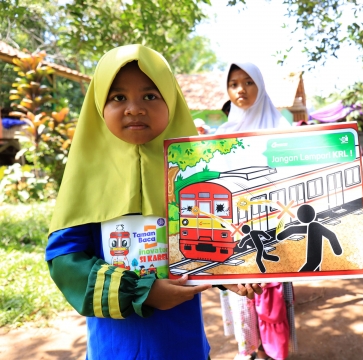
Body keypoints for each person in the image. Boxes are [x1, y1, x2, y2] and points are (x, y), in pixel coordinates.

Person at [45, 45, 262, 360]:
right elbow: (65, 261)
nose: (134, 108)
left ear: (172, 102)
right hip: (115, 348)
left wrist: (228, 275)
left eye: (149, 96)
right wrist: (141, 292)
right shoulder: (86, 176)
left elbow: (207, 243)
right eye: (118, 97)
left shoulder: (195, 175)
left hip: (182, 344)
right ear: (98, 106)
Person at [216, 62, 294, 360]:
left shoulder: (282, 130)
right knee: (242, 293)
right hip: (236, 229)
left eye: (248, 82)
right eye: (234, 83)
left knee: (272, 296)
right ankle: (250, 348)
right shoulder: (220, 136)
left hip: (276, 225)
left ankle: (274, 350)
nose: (241, 90)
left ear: (259, 85)